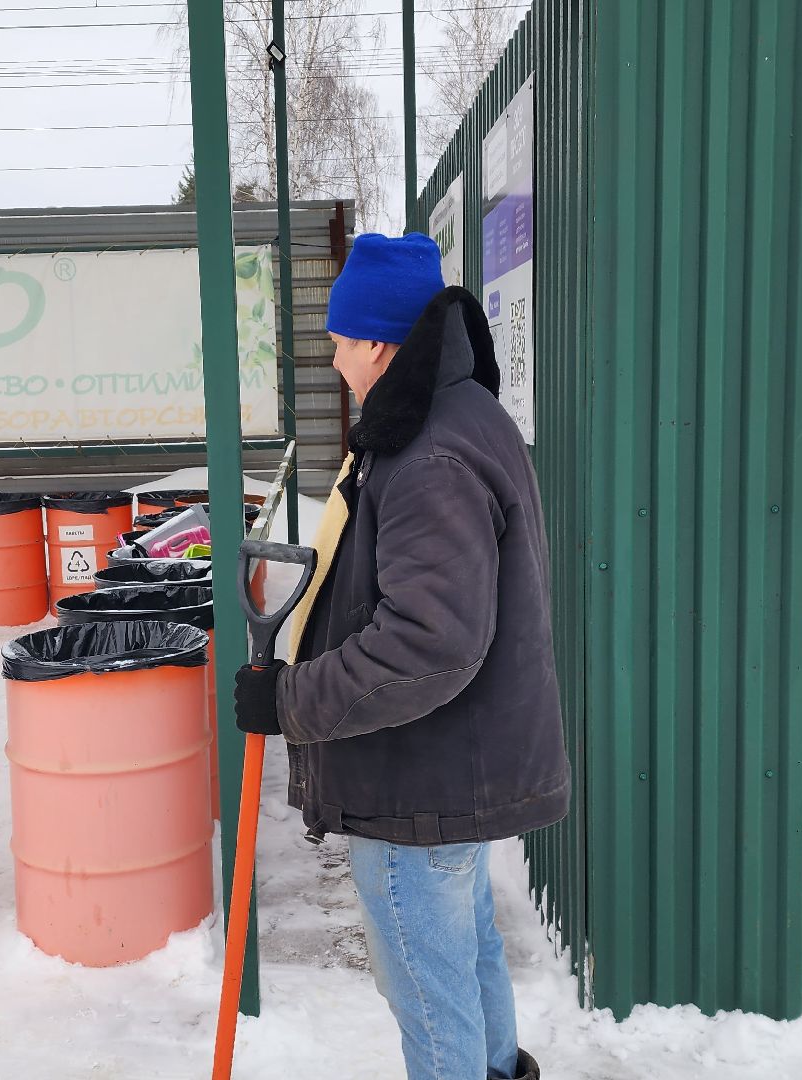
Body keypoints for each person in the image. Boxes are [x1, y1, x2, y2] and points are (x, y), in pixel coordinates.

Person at [234, 233, 569, 1080]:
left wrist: (291, 700)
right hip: (452, 768)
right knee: (464, 951)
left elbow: (430, 641)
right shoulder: (453, 417)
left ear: (379, 343)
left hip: (418, 777)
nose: (335, 356)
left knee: (427, 990)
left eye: (342, 341)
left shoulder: (429, 454)